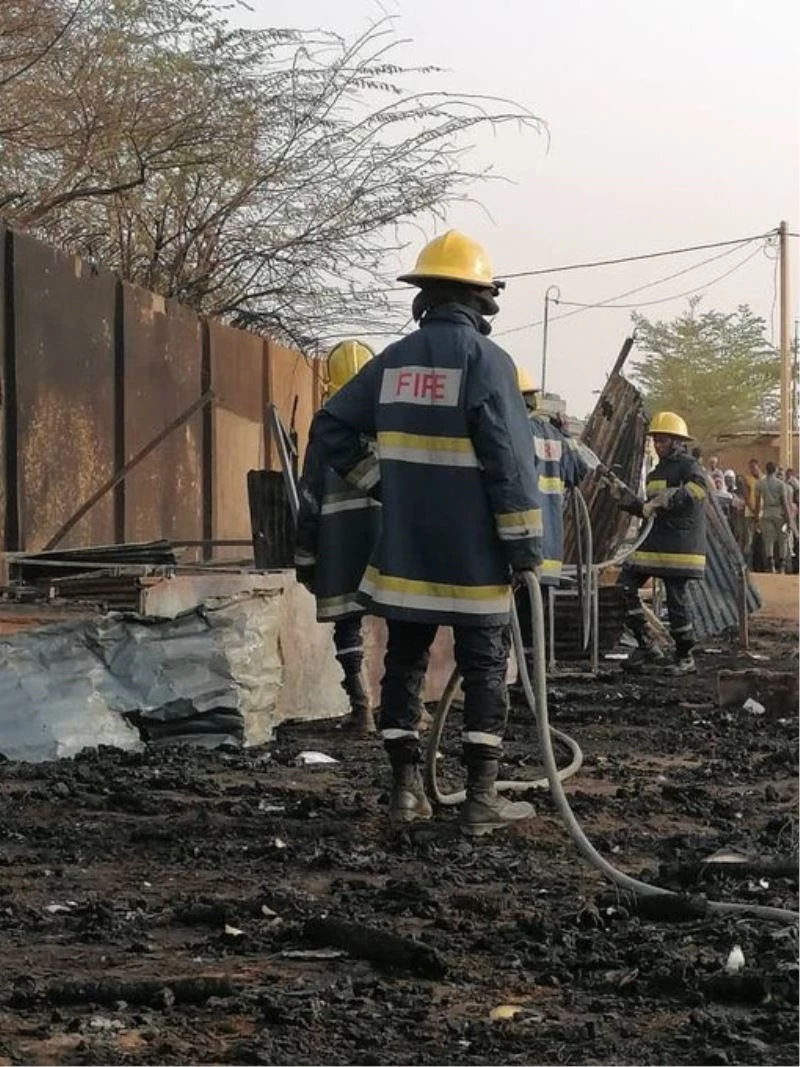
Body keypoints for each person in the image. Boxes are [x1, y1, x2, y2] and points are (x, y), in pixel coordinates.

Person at [309, 230, 543, 836]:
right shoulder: (488, 362)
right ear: (480, 299)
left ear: (424, 296)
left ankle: (405, 793)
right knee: (484, 668)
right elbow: (509, 463)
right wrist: (524, 548)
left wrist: (382, 483)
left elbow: (330, 425)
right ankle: (480, 799)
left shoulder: (392, 361)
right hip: (473, 556)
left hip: (406, 554)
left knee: (404, 664)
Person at [294, 340, 381, 735]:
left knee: (347, 624)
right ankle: (409, 707)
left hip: (340, 542)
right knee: (406, 622)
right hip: (388, 540)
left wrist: (306, 558)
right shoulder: (390, 422)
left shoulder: (328, 427)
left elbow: (310, 496)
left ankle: (362, 710)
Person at [613, 411, 707, 675]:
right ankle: (646, 645)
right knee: (624, 587)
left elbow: (699, 490)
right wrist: (626, 501)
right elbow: (649, 510)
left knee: (676, 601)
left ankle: (685, 656)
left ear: (677, 442)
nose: (657, 445)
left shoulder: (689, 466)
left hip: (679, 546)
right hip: (654, 543)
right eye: (655, 440)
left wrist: (670, 497)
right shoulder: (655, 473)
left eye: (662, 440)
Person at [514, 366, 589, 680]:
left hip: (519, 538)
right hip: (549, 545)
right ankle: (535, 676)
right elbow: (580, 471)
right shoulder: (554, 436)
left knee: (515, 616)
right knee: (536, 614)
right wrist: (566, 434)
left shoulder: (513, 430)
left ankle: (523, 679)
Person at [755, 461, 794, 573]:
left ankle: (771, 565)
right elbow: (785, 503)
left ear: (766, 470)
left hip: (767, 512)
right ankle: (782, 566)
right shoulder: (781, 484)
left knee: (768, 540)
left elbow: (757, 503)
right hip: (779, 513)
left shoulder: (760, 484)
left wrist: (757, 517)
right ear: (775, 470)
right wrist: (789, 519)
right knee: (782, 540)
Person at [743, 458, 763, 569]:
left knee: (763, 541)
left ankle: (762, 565)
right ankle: (748, 565)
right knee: (749, 541)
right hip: (750, 514)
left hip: (762, 515)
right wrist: (754, 511)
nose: (752, 469)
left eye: (754, 467)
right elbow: (746, 497)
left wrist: (758, 513)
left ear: (758, 467)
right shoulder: (747, 480)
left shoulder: (763, 479)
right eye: (750, 467)